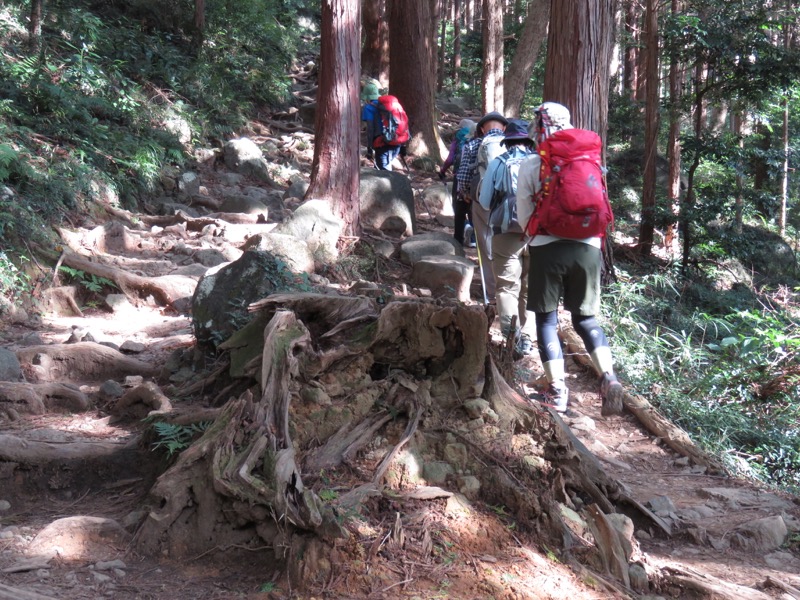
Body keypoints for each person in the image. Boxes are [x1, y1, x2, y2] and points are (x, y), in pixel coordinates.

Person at [516, 102, 624, 416]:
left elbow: (524, 210)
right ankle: (609, 377)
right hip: (589, 248)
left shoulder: (534, 162)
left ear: (540, 125)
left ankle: (558, 391)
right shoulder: (591, 160)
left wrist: (531, 239)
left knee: (547, 319)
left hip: (547, 245)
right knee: (586, 319)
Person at [478, 119, 536, 359]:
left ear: (507, 141)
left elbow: (483, 201)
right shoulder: (539, 164)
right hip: (536, 234)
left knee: (507, 288)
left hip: (505, 233)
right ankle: (529, 338)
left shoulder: (498, 163)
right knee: (530, 289)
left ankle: (512, 336)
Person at [455, 111, 508, 304]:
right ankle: (509, 289)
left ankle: (491, 293)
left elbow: (462, 176)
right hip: (511, 203)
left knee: (486, 246)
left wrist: (466, 195)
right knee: (508, 244)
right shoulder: (513, 144)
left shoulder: (473, 145)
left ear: (483, 128)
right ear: (503, 127)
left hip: (482, 202)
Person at [439, 119, 476, 246]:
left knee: (458, 207)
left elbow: (450, 158)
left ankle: (458, 240)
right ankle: (473, 239)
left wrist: (443, 171)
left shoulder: (460, 137)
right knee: (472, 208)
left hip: (459, 176)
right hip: (476, 179)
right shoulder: (481, 142)